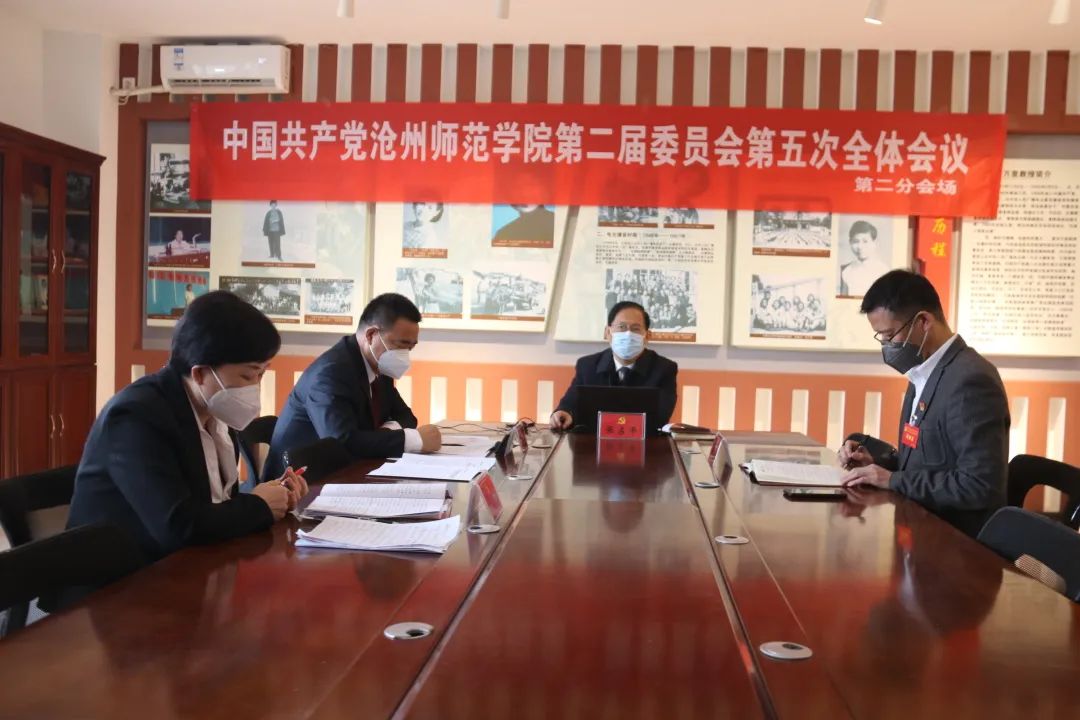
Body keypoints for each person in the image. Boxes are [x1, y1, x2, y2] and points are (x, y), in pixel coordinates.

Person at [67, 291, 308, 567]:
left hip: (192, 565)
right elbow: (178, 526)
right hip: (123, 577)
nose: (255, 386)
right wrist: (258, 505)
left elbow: (214, 503)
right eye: (248, 375)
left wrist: (273, 496)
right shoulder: (136, 416)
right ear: (200, 373)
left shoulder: (216, 409)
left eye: (261, 374)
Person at [840, 270, 1010, 537]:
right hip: (918, 526)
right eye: (880, 338)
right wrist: (877, 464)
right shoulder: (923, 371)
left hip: (955, 541)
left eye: (889, 335)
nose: (885, 345)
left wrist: (893, 480)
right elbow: (928, 461)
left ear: (923, 322)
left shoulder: (971, 381)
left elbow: (979, 485)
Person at [265, 293, 441, 479]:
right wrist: (412, 440)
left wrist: (383, 433)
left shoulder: (379, 366)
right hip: (296, 483)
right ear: (371, 335)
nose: (405, 354)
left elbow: (406, 416)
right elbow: (342, 442)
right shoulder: (330, 374)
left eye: (410, 348)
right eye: (401, 345)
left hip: (347, 470)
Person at [550, 300, 678, 431]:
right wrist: (563, 413)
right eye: (621, 327)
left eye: (635, 329)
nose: (628, 334)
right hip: (591, 441)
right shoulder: (587, 366)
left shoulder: (664, 369)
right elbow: (570, 403)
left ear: (647, 336)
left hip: (644, 440)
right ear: (607, 332)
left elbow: (660, 416)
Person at [839, 220, 890, 297]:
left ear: (875, 243)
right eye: (856, 241)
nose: (860, 247)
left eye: (865, 241)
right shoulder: (845, 270)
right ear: (850, 242)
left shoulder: (884, 271)